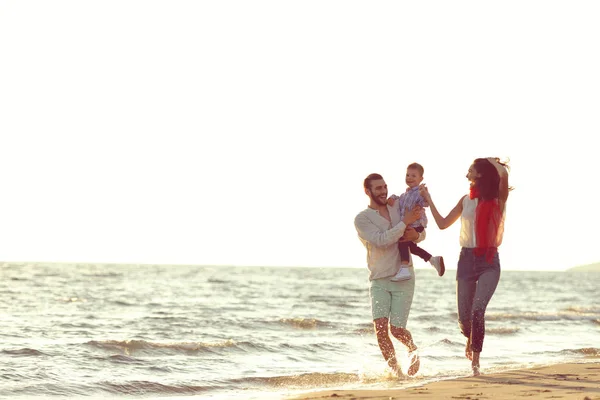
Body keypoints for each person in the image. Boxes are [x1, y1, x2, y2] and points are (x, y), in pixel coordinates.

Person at [419, 157, 510, 376]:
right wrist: (429, 200)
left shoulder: (498, 199)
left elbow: (504, 176)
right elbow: (442, 224)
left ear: (480, 174)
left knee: (478, 310)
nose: (466, 174)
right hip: (466, 260)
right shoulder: (465, 201)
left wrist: (492, 162)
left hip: (489, 260)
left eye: (470, 170)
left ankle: (475, 362)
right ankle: (469, 339)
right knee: (464, 319)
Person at [354, 173, 425, 378]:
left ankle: (412, 349)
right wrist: (404, 223)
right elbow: (382, 240)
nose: (383, 191)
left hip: (404, 278)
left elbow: (419, 230)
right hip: (379, 279)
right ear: (367, 191)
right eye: (378, 188)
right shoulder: (362, 219)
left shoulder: (397, 207)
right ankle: (397, 373)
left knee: (397, 330)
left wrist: (417, 235)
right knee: (381, 329)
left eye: (384, 187)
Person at [387, 162, 445, 281]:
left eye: (413, 176)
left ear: (421, 178)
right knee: (411, 247)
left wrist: (425, 194)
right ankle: (433, 260)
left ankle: (404, 268)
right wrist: (392, 198)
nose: (409, 178)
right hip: (409, 224)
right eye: (407, 175)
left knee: (402, 241)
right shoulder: (406, 193)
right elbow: (400, 198)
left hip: (416, 224)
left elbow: (426, 203)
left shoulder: (419, 192)